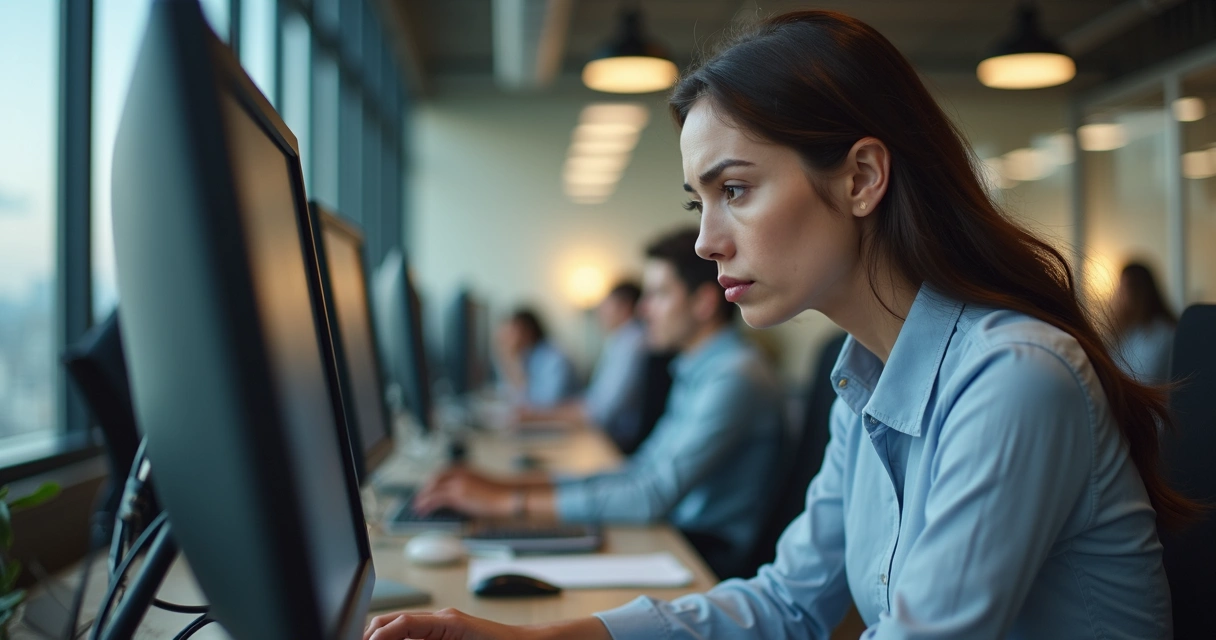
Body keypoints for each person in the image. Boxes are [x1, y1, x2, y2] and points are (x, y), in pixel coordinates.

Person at [366, 10, 1194, 640]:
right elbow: (789, 603)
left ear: (863, 177)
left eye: (736, 190)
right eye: (700, 202)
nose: (705, 239)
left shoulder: (1014, 378)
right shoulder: (863, 377)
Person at [415, 229, 786, 578]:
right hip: (676, 535)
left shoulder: (734, 376)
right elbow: (641, 471)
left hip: (704, 557)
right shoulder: (697, 369)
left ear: (704, 302)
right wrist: (509, 485)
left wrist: (504, 503)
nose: (643, 310)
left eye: (658, 294)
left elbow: (649, 496)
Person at [515, 282, 650, 450]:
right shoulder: (620, 342)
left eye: (606, 305)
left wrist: (537, 417)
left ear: (625, 307)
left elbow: (600, 412)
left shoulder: (631, 343)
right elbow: (593, 402)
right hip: (607, 437)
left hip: (616, 443)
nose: (600, 312)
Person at [494, 308, 579, 409]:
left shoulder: (554, 359)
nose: (507, 339)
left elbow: (545, 405)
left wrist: (510, 361)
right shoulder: (529, 356)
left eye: (511, 332)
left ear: (526, 331)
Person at [1110, 262, 1176, 385]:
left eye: (1124, 288)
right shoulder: (1131, 330)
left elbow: (1146, 379)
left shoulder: (1163, 333)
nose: (1119, 295)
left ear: (1139, 291)